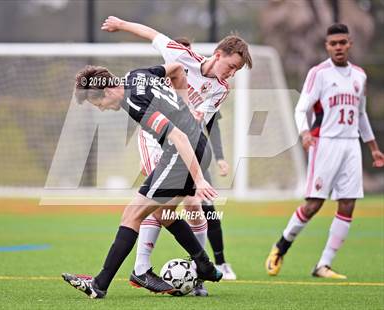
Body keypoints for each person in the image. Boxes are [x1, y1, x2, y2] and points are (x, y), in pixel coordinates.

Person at [101, 16, 252, 294]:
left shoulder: (220, 89)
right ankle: (141, 268)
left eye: (237, 70)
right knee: (157, 203)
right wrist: (120, 24)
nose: (232, 73)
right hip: (154, 137)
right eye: (231, 66)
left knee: (193, 205)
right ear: (219, 54)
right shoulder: (182, 55)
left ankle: (197, 277)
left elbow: (199, 120)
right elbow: (152, 33)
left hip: (182, 141)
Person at [62, 62, 223, 299]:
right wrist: (185, 109)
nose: (101, 109)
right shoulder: (136, 75)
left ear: (106, 91)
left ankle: (101, 283)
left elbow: (177, 136)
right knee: (162, 212)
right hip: (198, 146)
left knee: (132, 214)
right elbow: (177, 69)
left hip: (182, 154)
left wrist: (199, 179)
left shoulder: (133, 102)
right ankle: (205, 266)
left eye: (98, 104)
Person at [265, 23, 384, 279]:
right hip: (325, 143)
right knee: (314, 205)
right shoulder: (318, 73)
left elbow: (360, 114)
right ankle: (281, 247)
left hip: (351, 145)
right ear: (327, 46)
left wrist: (373, 148)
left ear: (350, 43)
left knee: (348, 204)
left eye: (343, 42)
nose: (339, 47)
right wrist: (305, 133)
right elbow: (301, 108)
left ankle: (323, 264)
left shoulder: (359, 75)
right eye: (334, 43)